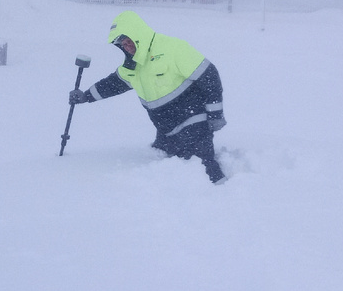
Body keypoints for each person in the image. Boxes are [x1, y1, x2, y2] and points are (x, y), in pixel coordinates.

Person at [69, 11, 227, 184]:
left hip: (194, 122)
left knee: (202, 169)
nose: (127, 47)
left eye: (129, 42)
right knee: (165, 170)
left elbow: (209, 76)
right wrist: (86, 96)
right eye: (123, 44)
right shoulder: (132, 65)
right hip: (167, 131)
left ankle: (224, 192)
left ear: (139, 36)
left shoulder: (173, 48)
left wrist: (215, 114)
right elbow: (113, 84)